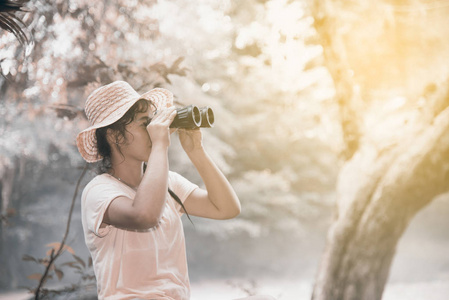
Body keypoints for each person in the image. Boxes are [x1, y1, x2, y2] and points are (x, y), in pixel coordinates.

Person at [76, 81, 274, 300]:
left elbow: (226, 208)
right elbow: (144, 215)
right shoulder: (99, 190)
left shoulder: (167, 183)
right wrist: (160, 145)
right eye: (145, 124)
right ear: (114, 136)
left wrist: (196, 151)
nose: (154, 130)